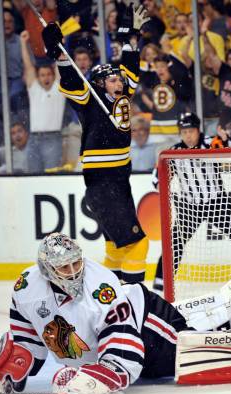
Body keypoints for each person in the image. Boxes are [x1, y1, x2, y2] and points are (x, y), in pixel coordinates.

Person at [0, 233, 231, 394]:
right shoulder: (26, 287)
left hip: (146, 326)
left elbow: (123, 343)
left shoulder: (101, 286)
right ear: (47, 271)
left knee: (187, 352)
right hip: (113, 335)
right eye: (64, 268)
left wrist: (107, 373)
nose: (74, 271)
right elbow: (28, 335)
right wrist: (15, 366)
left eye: (76, 262)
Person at [42, 5, 150, 283]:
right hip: (102, 184)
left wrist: (130, 36)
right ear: (100, 83)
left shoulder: (121, 93)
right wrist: (58, 53)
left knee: (115, 248)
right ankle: (134, 301)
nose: (120, 82)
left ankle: (110, 298)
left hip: (118, 181)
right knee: (138, 244)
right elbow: (71, 80)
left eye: (119, 78)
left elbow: (131, 66)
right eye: (113, 79)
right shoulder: (90, 99)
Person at [152, 112, 231, 291]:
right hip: (189, 206)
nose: (187, 135)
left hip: (217, 203)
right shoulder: (173, 153)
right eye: (183, 132)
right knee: (174, 243)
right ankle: (160, 285)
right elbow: (157, 180)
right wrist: (161, 180)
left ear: (198, 130)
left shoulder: (209, 142)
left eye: (191, 131)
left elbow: (226, 149)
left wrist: (225, 139)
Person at [20, 30, 66, 173]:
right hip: (33, 139)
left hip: (53, 139)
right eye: (42, 75)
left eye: (48, 75)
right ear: (38, 77)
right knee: (33, 177)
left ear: (52, 76)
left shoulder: (58, 90)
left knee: (51, 177)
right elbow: (28, 66)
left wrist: (59, 46)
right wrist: (23, 43)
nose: (46, 77)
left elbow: (60, 66)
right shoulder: (34, 89)